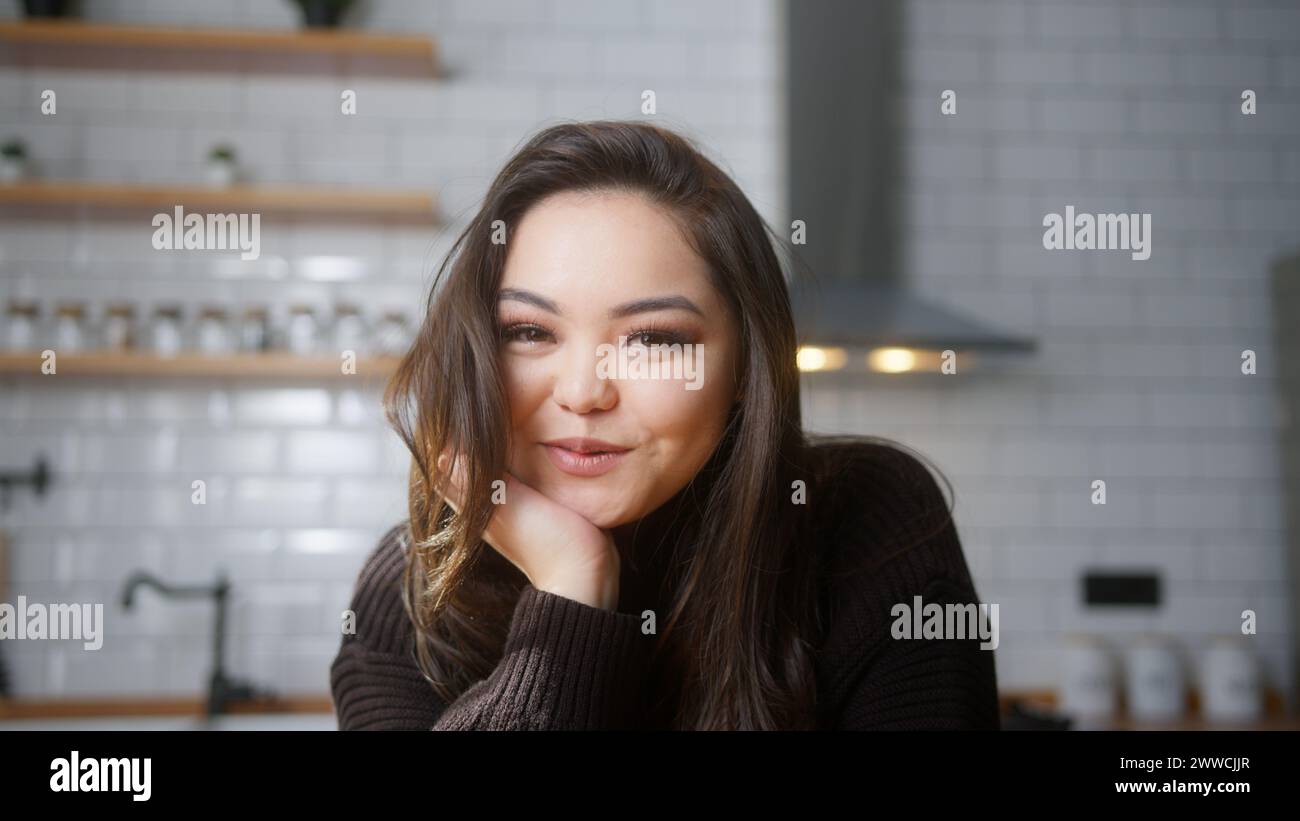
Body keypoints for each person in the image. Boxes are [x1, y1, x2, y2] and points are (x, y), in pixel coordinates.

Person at [329, 120, 999, 730]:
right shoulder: (410, 589)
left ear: (745, 369)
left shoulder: (864, 519)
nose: (584, 391)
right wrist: (570, 592)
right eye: (530, 331)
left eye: (652, 339)